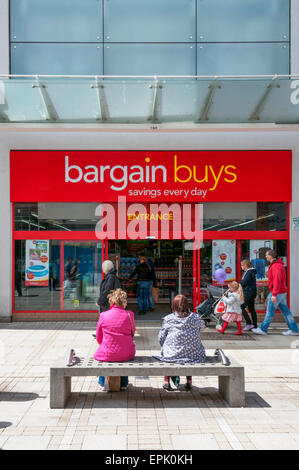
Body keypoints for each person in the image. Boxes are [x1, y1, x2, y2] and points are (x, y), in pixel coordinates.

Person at [153, 294, 206, 391]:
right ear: (187, 305)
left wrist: (164, 346)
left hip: (172, 355)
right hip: (194, 355)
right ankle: (189, 381)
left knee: (168, 351)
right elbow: (203, 327)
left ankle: (166, 382)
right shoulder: (195, 317)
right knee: (188, 349)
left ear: (173, 306)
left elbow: (161, 337)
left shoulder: (169, 319)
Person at [94, 288, 136, 391]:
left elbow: (99, 337)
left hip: (107, 353)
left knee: (104, 354)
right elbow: (132, 333)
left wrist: (105, 345)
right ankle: (124, 384)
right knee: (123, 354)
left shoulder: (103, 315)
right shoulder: (129, 315)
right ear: (124, 302)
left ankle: (102, 383)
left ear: (111, 301)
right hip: (126, 353)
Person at [252, 250, 299, 336]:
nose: (266, 257)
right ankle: (294, 330)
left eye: (267, 255)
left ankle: (263, 329)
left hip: (276, 293)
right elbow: (276, 279)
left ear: (271, 256)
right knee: (286, 312)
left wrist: (274, 294)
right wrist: (269, 275)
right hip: (281, 292)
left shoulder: (276, 266)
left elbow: (277, 281)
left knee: (269, 312)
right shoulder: (277, 265)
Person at [240, 259, 258, 331]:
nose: (241, 267)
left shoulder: (249, 272)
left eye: (241, 265)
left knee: (241, 307)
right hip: (252, 292)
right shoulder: (251, 271)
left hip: (248, 292)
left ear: (245, 265)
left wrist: (237, 286)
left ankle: (249, 323)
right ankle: (254, 325)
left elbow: (244, 282)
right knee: (251, 309)